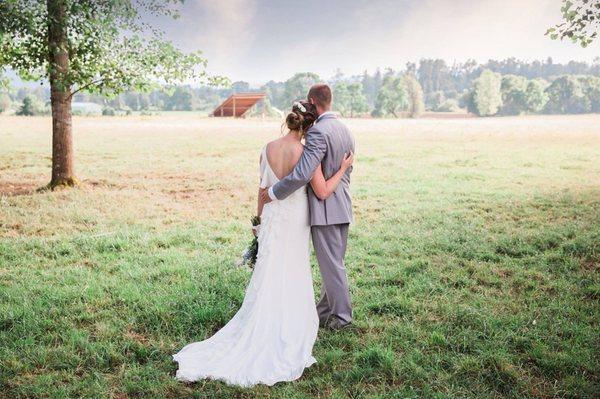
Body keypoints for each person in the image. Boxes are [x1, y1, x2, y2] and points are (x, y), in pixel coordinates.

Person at [173, 99, 354, 387]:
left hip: (271, 217)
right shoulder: (308, 153)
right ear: (308, 126)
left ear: (287, 121)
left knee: (269, 269)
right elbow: (320, 190)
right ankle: (289, 322)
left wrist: (259, 223)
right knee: (293, 268)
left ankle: (263, 317)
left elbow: (262, 189)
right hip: (295, 219)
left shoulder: (266, 147)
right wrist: (343, 169)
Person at [261, 84, 355, 330]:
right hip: (343, 205)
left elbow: (303, 173)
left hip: (325, 209)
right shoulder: (345, 129)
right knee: (332, 265)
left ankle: (342, 318)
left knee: (332, 267)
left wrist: (272, 193)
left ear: (313, 101)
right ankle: (323, 313)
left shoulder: (317, 133)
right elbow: (346, 171)